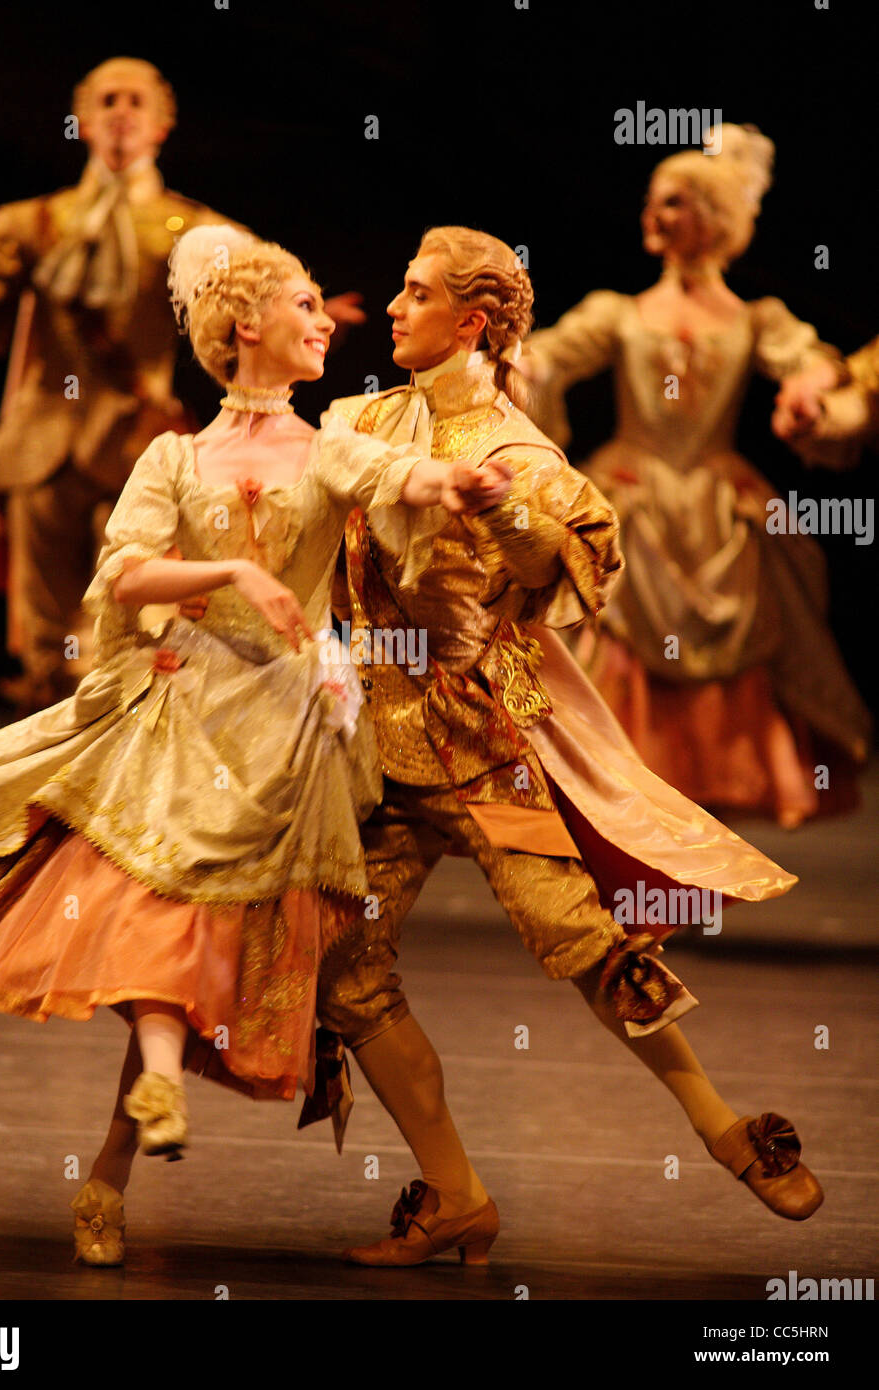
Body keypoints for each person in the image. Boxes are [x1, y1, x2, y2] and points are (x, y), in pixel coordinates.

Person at [0, 225, 508, 1268]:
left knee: (183, 924)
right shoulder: (177, 454)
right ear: (244, 326)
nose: (325, 321)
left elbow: (399, 478)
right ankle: (124, 1146)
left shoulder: (329, 442)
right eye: (304, 304)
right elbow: (123, 572)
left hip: (279, 732)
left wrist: (458, 486)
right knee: (164, 916)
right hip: (184, 710)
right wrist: (227, 580)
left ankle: (115, 1163)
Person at [307, 225, 822, 1267]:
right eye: (399, 291)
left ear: (474, 320)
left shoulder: (517, 451)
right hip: (375, 750)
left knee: (584, 939)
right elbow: (319, 491)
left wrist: (507, 518)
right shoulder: (364, 418)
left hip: (482, 741)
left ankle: (724, 1129)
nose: (396, 308)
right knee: (343, 971)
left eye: (417, 293)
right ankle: (453, 1194)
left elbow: (558, 548)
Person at [0, 57, 363, 714]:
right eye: (106, 101)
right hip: (41, 438)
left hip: (134, 436)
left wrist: (301, 314)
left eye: (135, 101)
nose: (120, 113)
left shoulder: (190, 227)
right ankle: (48, 731)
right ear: (84, 120)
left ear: (162, 125)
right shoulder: (37, 223)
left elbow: (259, 285)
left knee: (128, 596)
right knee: (43, 621)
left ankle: (111, 735)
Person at [519, 125, 871, 827]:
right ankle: (618, 813)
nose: (657, 215)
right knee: (609, 629)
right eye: (655, 201)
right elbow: (550, 356)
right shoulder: (618, 313)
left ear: (712, 218)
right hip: (633, 490)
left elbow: (808, 360)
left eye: (675, 202)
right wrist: (514, 365)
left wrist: (810, 392)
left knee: (742, 629)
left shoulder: (751, 318)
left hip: (716, 504)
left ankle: (703, 820)